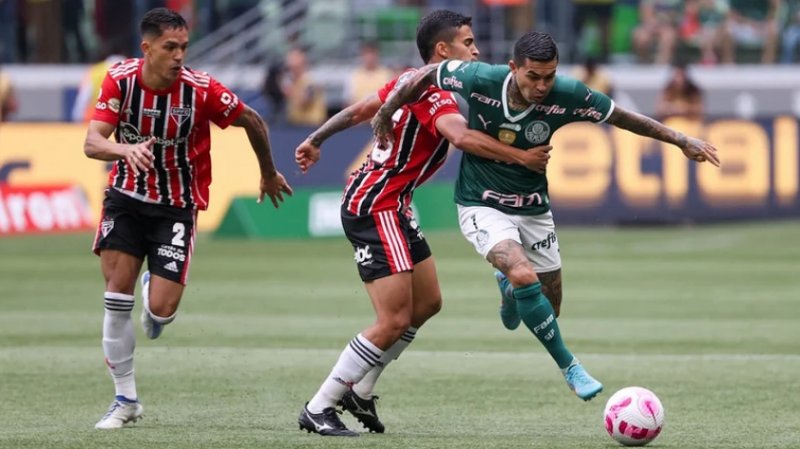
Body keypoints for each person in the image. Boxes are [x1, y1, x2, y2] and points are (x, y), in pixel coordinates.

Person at [371, 31, 720, 410]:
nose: (541, 86)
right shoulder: (479, 78)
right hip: (480, 202)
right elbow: (423, 75)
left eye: (548, 77)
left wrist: (680, 138)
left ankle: (508, 290)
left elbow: (621, 117)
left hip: (534, 207)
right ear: (513, 68)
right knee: (524, 275)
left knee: (547, 308)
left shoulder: (568, 94)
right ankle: (571, 368)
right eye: (532, 76)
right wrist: (386, 112)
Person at [294, 10, 552, 437]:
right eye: (468, 42)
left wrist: (316, 139)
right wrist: (522, 156)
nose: (476, 50)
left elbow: (360, 110)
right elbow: (462, 137)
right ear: (442, 51)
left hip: (395, 205)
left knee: (427, 303)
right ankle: (320, 405)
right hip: (376, 205)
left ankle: (362, 388)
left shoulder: (407, 80)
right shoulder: (435, 94)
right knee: (393, 319)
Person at [83, 7, 293, 430]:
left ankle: (153, 292)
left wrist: (267, 172)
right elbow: (92, 142)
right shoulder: (121, 80)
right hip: (125, 197)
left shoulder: (201, 90)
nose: (180, 55)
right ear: (147, 48)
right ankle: (125, 400)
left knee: (160, 313)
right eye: (170, 47)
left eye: (184, 47)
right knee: (115, 296)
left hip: (176, 204)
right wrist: (125, 150)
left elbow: (251, 119)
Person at [282, 47, 327, 126]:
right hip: (296, 124)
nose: (292, 70)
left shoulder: (310, 81)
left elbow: (305, 102)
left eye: (295, 67)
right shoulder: (293, 82)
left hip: (312, 126)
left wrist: (291, 92)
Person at [345, 41, 393, 107]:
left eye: (372, 53)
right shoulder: (354, 76)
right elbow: (348, 101)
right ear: (362, 55)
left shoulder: (387, 74)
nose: (369, 57)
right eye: (366, 53)